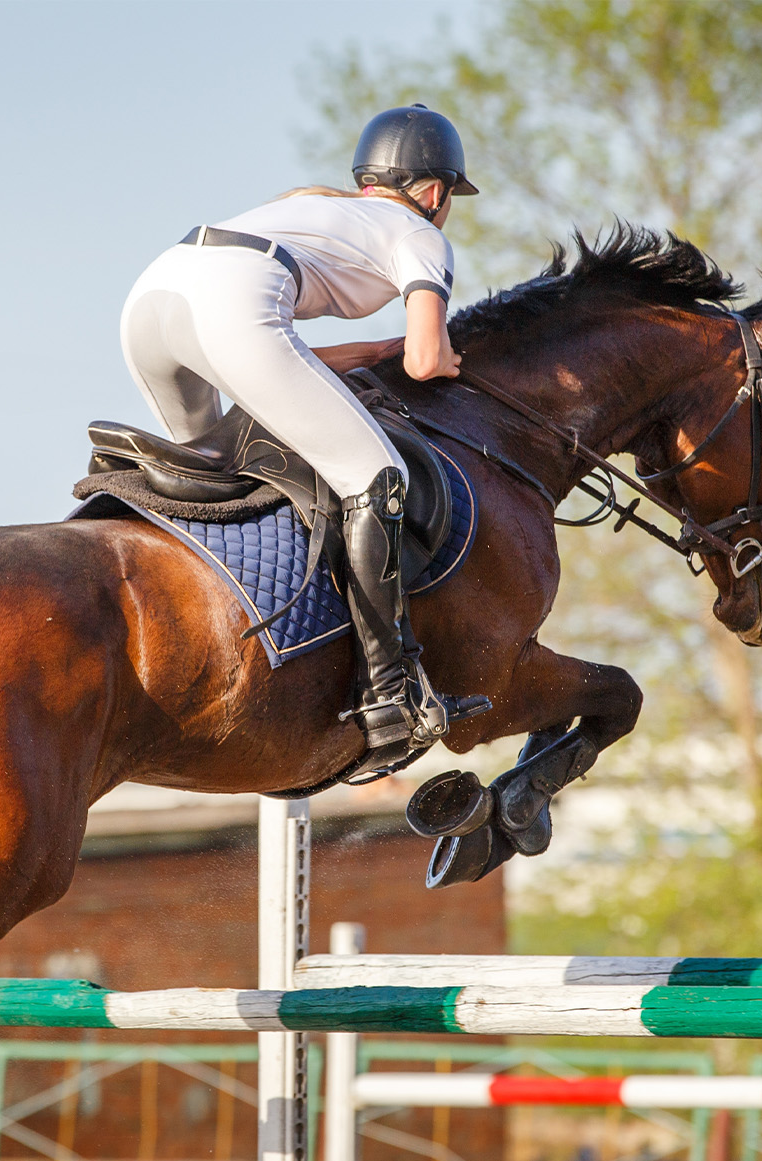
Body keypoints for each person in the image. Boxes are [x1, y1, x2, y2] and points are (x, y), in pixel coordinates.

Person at [120, 105, 478, 772]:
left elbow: (275, 347)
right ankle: (388, 693)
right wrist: (437, 355)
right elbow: (428, 362)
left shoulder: (319, 211)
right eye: (449, 196)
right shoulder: (419, 234)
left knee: (218, 483)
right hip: (234, 304)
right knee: (377, 480)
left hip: (152, 297)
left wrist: (376, 347)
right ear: (435, 192)